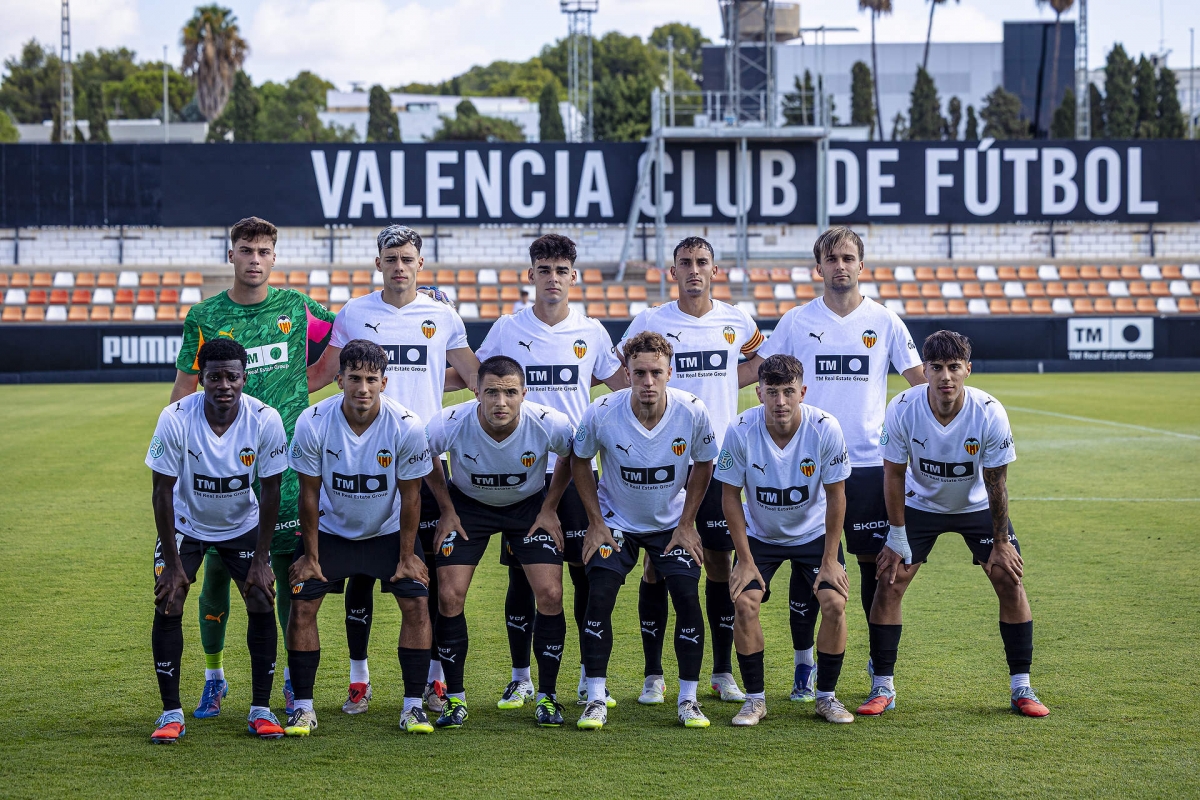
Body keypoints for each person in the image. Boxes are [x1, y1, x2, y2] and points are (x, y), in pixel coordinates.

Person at [743, 225, 924, 701]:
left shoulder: (884, 321)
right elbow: (758, 376)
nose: (840, 266)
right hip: (805, 461)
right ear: (817, 267)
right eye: (831, 258)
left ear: (861, 266)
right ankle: (805, 667)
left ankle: (877, 669)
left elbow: (919, 381)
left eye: (848, 258)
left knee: (872, 569)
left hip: (867, 465)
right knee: (810, 565)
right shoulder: (796, 321)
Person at [308, 225, 479, 715]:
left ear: (420, 265)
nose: (399, 266)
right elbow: (326, 374)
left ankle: (433, 680)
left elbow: (470, 376)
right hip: (359, 460)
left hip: (425, 464)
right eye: (391, 258)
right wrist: (273, 391)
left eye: (408, 258)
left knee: (427, 572)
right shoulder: (356, 313)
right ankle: (358, 678)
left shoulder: (442, 316)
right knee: (360, 575)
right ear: (378, 262)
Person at [171, 216, 335, 719]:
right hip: (219, 471)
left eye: (264, 251)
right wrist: (176, 465)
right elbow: (183, 390)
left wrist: (304, 387)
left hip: (283, 471)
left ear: (274, 257)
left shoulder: (298, 306)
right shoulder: (204, 315)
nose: (255, 259)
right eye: (246, 250)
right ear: (231, 255)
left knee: (283, 575)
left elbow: (345, 340)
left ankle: (287, 679)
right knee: (217, 574)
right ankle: (215, 677)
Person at [860, 330, 1049, 718]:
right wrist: (896, 536)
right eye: (937, 368)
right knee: (889, 579)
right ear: (924, 370)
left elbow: (997, 481)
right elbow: (893, 475)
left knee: (1008, 578)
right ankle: (883, 687)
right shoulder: (902, 408)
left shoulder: (989, 411)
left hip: (976, 506)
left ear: (968, 369)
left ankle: (1022, 687)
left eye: (954, 368)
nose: (945, 377)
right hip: (920, 505)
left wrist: (1001, 541)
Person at [476, 233, 627, 711]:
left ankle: (588, 675)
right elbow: (482, 386)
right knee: (523, 578)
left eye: (562, 271)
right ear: (531, 276)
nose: (553, 279)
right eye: (545, 270)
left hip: (578, 473)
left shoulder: (593, 332)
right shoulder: (505, 329)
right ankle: (521, 676)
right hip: (522, 475)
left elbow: (621, 388)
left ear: (574, 277)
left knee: (585, 574)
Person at [619, 237, 763, 705]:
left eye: (702, 263)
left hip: (719, 463)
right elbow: (628, 371)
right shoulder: (651, 320)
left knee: (720, 564)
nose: (694, 270)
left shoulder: (736, 320)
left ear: (714, 270)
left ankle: (721, 672)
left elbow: (758, 363)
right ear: (673, 271)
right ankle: (654, 673)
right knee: (657, 566)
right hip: (663, 462)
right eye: (686, 263)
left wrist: (724, 377)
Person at [283, 339, 435, 736]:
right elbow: (309, 495)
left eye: (371, 379)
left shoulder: (407, 425)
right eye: (354, 379)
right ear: (339, 381)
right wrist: (311, 558)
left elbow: (412, 495)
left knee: (417, 605)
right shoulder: (313, 421)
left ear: (384, 382)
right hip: (332, 533)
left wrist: (406, 556)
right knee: (302, 606)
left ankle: (413, 706)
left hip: (386, 534)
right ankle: (302, 707)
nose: (362, 388)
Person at [573, 331, 720, 730]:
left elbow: (705, 463)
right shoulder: (601, 411)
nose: (648, 382)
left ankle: (687, 700)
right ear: (627, 372)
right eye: (639, 373)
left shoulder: (692, 411)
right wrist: (596, 522)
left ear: (670, 372)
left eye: (656, 372)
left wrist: (688, 522)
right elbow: (580, 460)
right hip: (616, 524)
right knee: (599, 596)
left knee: (688, 597)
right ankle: (596, 697)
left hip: (671, 525)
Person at [147, 338, 288, 743]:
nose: (223, 384)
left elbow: (272, 489)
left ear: (244, 377)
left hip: (242, 523)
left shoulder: (265, 418)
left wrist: (261, 560)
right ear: (202, 380)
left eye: (231, 376)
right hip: (186, 523)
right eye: (213, 377)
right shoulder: (175, 417)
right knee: (169, 597)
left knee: (261, 595)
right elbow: (161, 492)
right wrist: (173, 565)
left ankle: (261, 709)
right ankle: (170, 714)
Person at [423, 356, 576, 728]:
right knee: (448, 595)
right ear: (476, 391)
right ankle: (454, 699)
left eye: (510, 392)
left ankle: (547, 696)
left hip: (528, 508)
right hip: (468, 508)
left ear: (524, 393)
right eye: (491, 392)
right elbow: (426, 456)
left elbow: (571, 456)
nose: (500, 402)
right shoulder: (450, 422)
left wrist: (550, 508)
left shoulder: (549, 422)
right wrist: (446, 508)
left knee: (551, 594)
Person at [717, 354, 856, 726]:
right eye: (773, 392)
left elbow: (837, 495)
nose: (780, 402)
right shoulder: (740, 429)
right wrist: (743, 559)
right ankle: (755, 700)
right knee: (745, 603)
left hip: (812, 534)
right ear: (758, 392)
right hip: (760, 536)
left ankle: (826, 696)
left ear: (802, 392)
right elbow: (730, 497)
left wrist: (830, 559)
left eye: (789, 392)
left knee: (834, 603)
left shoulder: (825, 427)